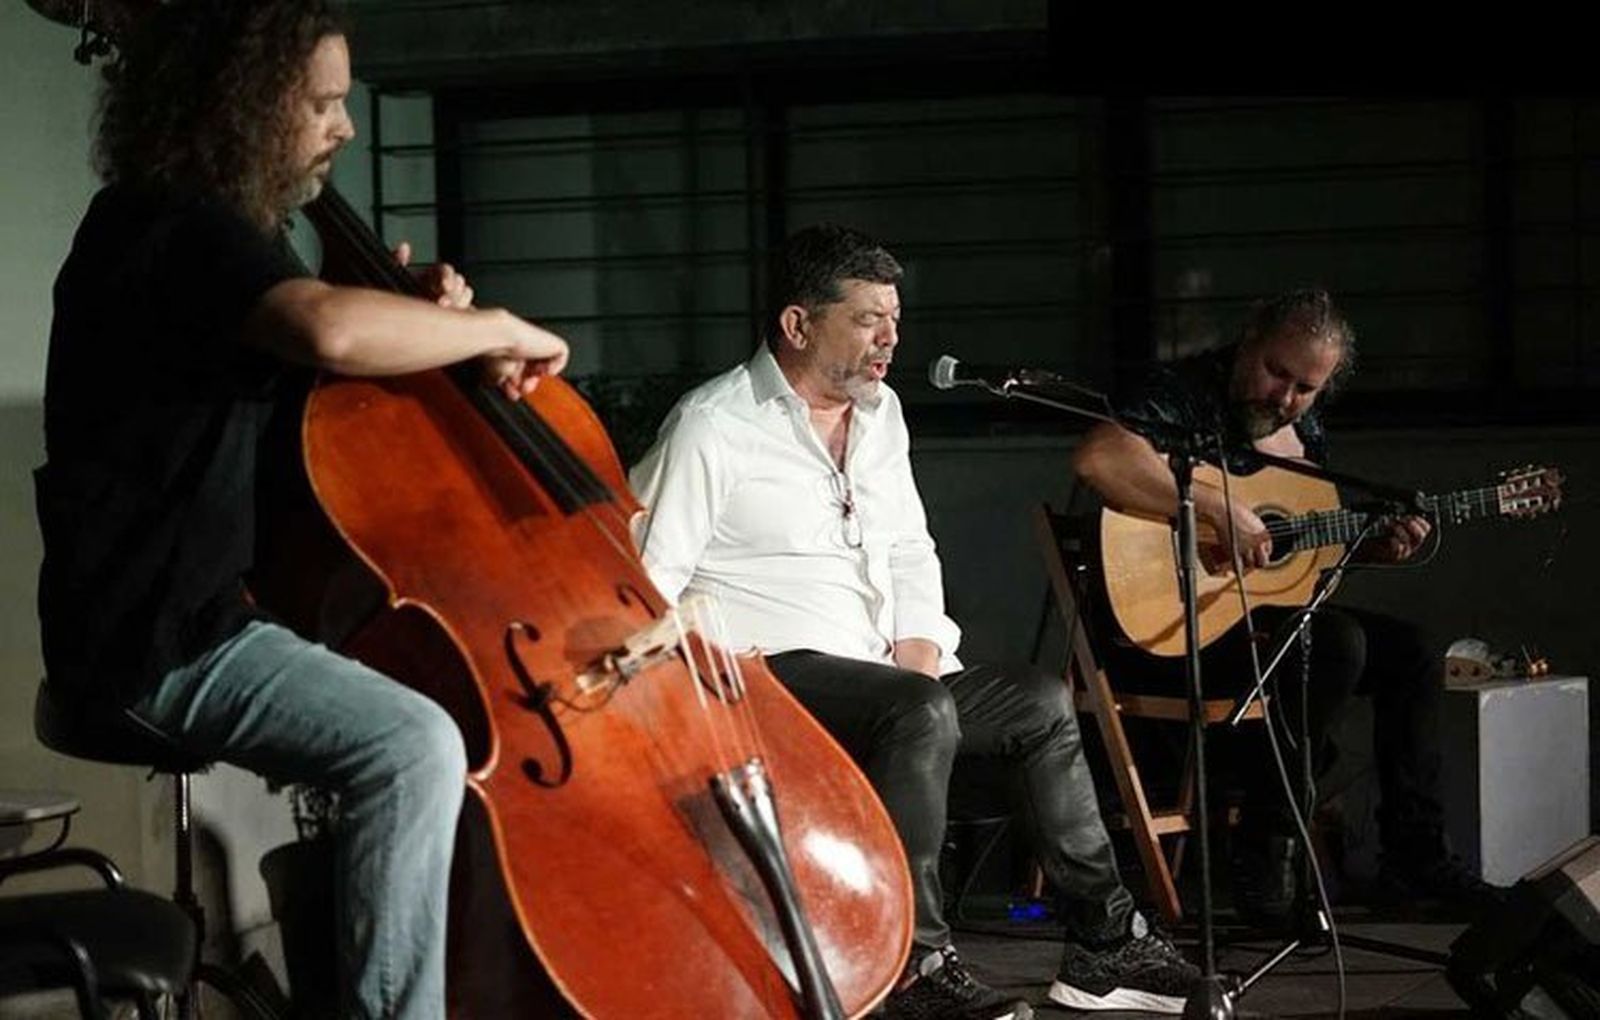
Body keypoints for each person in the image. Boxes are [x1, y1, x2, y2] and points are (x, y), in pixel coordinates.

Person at [34, 2, 569, 1016]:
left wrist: (407, 315)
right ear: (242, 104)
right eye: (322, 102)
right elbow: (325, 334)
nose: (347, 125)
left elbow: (302, 387)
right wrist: (484, 326)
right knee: (410, 744)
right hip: (154, 642)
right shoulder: (173, 221)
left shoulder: (215, 232)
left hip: (191, 617)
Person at [628, 224, 1199, 1018]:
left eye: (894, 317)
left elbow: (907, 549)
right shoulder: (713, 426)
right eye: (867, 319)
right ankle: (910, 963)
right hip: (765, 677)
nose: (891, 338)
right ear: (798, 325)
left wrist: (921, 649)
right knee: (918, 709)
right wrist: (719, 673)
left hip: (890, 678)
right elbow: (643, 584)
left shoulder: (882, 412)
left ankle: (1105, 944)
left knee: (1035, 701)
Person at [1070, 288, 1496, 925]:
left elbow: (1293, 557)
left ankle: (1415, 855)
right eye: (1276, 372)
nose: (1284, 398)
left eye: (1305, 388)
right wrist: (1218, 510)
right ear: (1249, 342)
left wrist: (1370, 546)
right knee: (1334, 643)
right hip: (1168, 633)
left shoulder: (1306, 429)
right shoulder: (1183, 392)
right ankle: (1267, 843)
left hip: (1262, 626)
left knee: (1410, 650)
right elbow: (1099, 456)